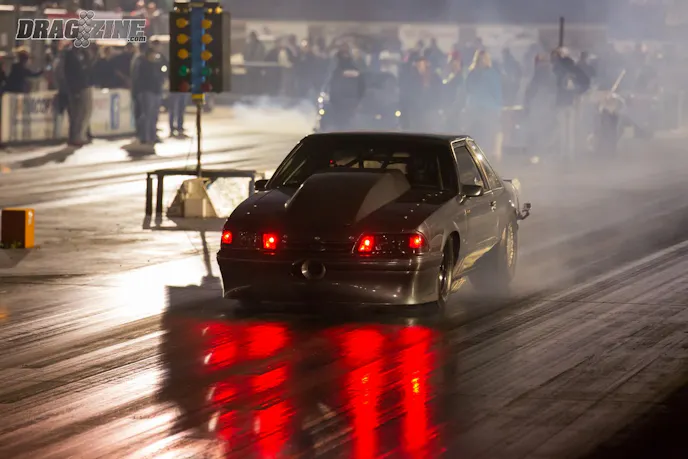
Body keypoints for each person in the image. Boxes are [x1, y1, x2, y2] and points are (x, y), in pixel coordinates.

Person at [465, 50, 503, 159]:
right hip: (487, 109)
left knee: (478, 135)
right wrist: (498, 108)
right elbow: (497, 93)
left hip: (476, 108)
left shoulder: (472, 73)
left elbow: (468, 90)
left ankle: (476, 157)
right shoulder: (491, 74)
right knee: (491, 133)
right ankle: (491, 157)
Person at [322, 49, 365, 130]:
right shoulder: (356, 70)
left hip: (340, 103)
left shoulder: (336, 71)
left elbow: (333, 85)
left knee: (339, 124)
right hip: (353, 101)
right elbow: (362, 86)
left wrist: (332, 99)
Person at [63, 43, 93, 146]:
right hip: (77, 88)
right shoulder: (70, 55)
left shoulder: (82, 55)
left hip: (83, 86)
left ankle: (80, 135)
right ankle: (76, 137)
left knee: (83, 112)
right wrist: (74, 90)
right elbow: (70, 74)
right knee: (78, 114)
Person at [134, 46, 165, 144]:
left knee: (154, 115)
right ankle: (144, 137)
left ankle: (153, 136)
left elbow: (161, 75)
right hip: (147, 92)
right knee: (146, 115)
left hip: (156, 92)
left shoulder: (156, 64)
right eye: (153, 54)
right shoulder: (143, 64)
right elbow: (141, 79)